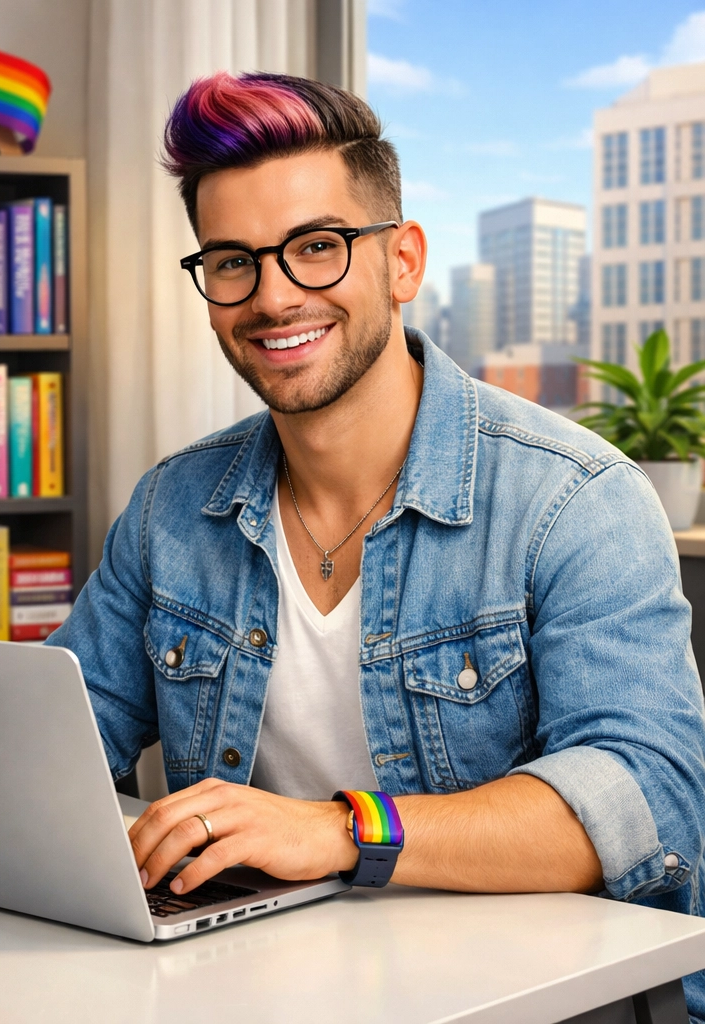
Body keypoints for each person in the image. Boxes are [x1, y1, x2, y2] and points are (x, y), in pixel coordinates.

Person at [47, 72, 705, 1015]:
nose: (273, 297)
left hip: (535, 1001)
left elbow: (645, 795)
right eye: (232, 260)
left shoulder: (577, 499)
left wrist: (343, 831)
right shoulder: (172, 507)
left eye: (316, 247)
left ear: (402, 262)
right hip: (251, 992)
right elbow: (63, 743)